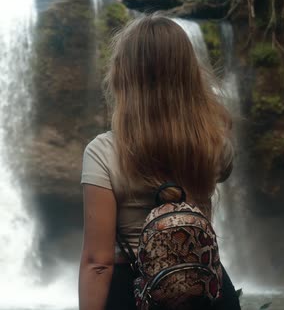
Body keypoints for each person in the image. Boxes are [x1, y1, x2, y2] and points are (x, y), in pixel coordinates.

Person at [78, 15, 241, 310]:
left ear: (122, 76)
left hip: (133, 293)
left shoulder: (102, 152)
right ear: (189, 74)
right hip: (206, 292)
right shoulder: (215, 144)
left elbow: (97, 263)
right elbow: (224, 167)